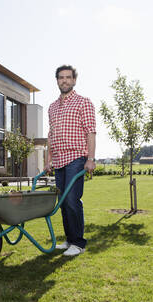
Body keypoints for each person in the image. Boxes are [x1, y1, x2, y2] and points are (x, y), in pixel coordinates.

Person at [45, 65, 96, 256]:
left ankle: (79, 243)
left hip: (76, 157)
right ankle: (69, 240)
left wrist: (90, 158)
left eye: (68, 77)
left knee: (72, 200)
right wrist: (48, 159)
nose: (64, 80)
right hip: (58, 160)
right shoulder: (52, 107)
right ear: (57, 80)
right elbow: (51, 136)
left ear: (74, 80)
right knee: (62, 202)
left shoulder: (84, 103)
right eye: (60, 77)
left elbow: (90, 132)